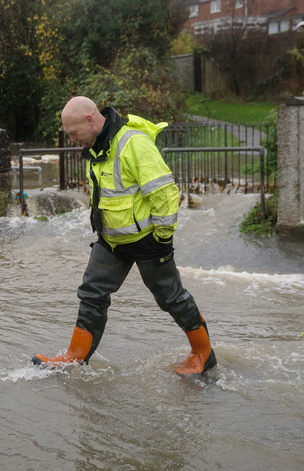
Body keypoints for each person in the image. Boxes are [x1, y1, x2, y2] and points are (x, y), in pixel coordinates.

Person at [32, 96, 216, 376]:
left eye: (73, 133)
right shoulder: (94, 148)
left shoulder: (133, 143)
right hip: (111, 241)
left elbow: (164, 193)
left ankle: (203, 355)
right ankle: (75, 357)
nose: (71, 139)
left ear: (90, 120)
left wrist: (163, 238)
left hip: (150, 241)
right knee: (91, 293)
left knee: (171, 298)